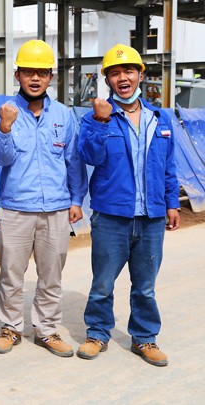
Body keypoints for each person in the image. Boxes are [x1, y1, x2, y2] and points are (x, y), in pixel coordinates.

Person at [76, 44, 180, 367]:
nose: (123, 78)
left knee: (145, 286)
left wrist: (172, 203)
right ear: (107, 79)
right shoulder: (96, 117)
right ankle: (97, 333)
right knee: (102, 283)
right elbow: (89, 156)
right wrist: (100, 120)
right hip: (111, 216)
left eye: (129, 71)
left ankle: (144, 338)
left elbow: (168, 166)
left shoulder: (159, 119)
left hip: (151, 216)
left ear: (140, 76)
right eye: (115, 73)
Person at [0, 40, 87, 357]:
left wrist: (76, 199)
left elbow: (73, 161)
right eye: (29, 72)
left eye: (41, 73)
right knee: (11, 275)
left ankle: (46, 329)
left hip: (55, 209)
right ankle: (11, 328)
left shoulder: (63, 115)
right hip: (15, 209)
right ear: (17, 74)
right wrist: (5, 128)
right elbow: (0, 158)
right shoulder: (4, 113)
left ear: (50, 77)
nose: (35, 78)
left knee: (51, 276)